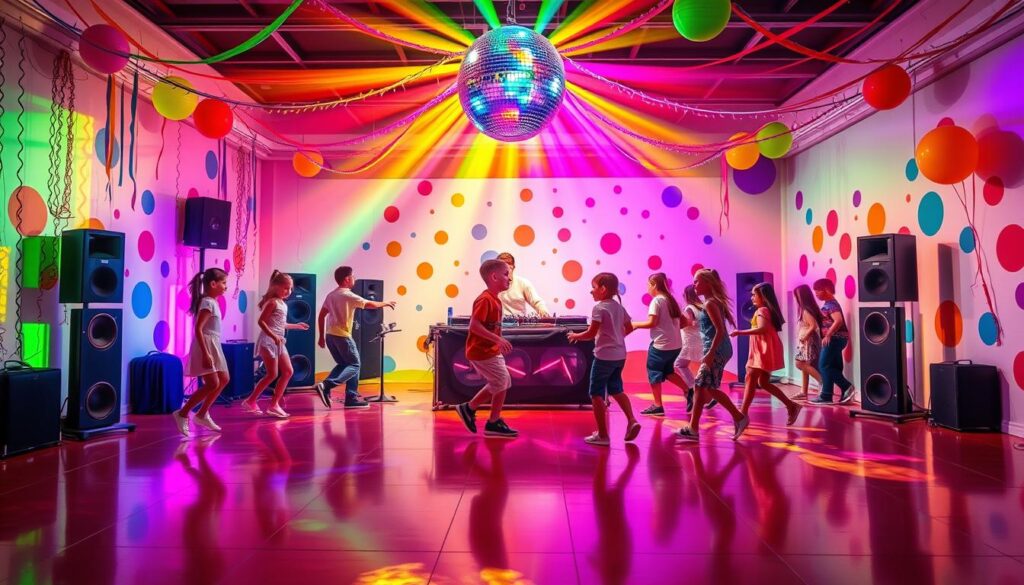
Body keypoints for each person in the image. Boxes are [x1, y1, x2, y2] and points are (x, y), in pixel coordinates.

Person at [568, 272, 641, 446]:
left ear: (603, 289)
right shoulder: (618, 307)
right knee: (616, 389)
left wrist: (575, 335)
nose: (591, 291)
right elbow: (630, 327)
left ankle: (602, 435)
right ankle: (632, 420)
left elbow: (591, 333)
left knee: (596, 394)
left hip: (604, 357)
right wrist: (617, 337)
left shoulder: (599, 308)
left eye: (593, 287)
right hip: (619, 356)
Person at [676, 269, 749, 443]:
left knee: (703, 386)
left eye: (697, 281)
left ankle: (738, 417)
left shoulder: (710, 303)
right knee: (703, 387)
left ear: (708, 283)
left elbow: (720, 330)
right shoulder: (710, 302)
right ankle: (694, 428)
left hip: (716, 350)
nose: (694, 284)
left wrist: (710, 354)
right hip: (717, 349)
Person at [314, 266, 396, 409]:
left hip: (330, 336)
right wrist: (386, 303)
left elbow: (321, 316)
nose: (354, 279)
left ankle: (328, 389)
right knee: (355, 365)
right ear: (347, 279)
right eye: (353, 276)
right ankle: (334, 389)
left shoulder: (331, 295)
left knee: (343, 364)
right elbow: (370, 304)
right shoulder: (348, 295)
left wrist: (321, 336)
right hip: (342, 336)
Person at [455, 259, 519, 438]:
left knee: (503, 381)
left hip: (490, 350)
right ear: (494, 277)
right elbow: (474, 326)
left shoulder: (495, 300)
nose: (509, 278)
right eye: (506, 274)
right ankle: (483, 416)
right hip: (481, 351)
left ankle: (480, 414)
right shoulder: (485, 300)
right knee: (501, 380)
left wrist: (497, 342)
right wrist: (498, 339)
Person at [731, 282, 802, 425]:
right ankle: (791, 405)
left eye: (754, 295)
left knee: (750, 377)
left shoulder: (761, 311)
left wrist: (740, 332)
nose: (752, 297)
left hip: (762, 349)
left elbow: (762, 329)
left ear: (762, 296)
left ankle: (743, 414)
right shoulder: (766, 310)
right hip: (765, 348)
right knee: (762, 382)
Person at [241, 271, 309, 418]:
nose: (288, 291)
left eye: (290, 288)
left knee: (288, 371)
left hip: (278, 341)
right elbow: (261, 322)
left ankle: (273, 404)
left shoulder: (282, 303)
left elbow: (280, 324)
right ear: (275, 286)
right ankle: (251, 401)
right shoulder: (272, 302)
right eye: (285, 288)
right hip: (268, 341)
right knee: (272, 374)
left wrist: (297, 326)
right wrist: (273, 336)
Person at [173, 268, 230, 437]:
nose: (226, 286)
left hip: (214, 343)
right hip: (206, 344)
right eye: (224, 283)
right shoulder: (207, 303)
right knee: (212, 383)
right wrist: (206, 353)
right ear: (213, 284)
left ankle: (202, 414)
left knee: (224, 379)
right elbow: (198, 328)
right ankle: (183, 413)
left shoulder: (213, 302)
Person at [635, 273, 689, 418]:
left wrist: (634, 325)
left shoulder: (657, 301)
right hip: (675, 345)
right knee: (668, 371)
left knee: (653, 372)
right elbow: (685, 322)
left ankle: (658, 405)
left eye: (648, 284)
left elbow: (652, 323)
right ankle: (689, 390)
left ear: (654, 285)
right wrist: (670, 329)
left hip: (661, 345)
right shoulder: (671, 300)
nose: (647, 288)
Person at [809, 278, 855, 405]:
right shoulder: (829, 304)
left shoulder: (831, 305)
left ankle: (847, 386)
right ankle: (826, 395)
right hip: (838, 339)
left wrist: (828, 334)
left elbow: (838, 320)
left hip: (835, 339)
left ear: (827, 289)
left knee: (824, 366)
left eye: (818, 290)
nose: (816, 294)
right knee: (833, 367)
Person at [675, 285, 716, 413]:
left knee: (679, 364)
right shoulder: (702, 307)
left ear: (687, 295)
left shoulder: (690, 308)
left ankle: (693, 389)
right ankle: (710, 395)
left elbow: (688, 322)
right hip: (699, 340)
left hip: (690, 341)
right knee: (702, 368)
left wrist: (676, 324)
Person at [792, 284, 824, 401]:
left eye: (798, 296)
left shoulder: (806, 311)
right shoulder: (804, 310)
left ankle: (822, 382)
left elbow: (813, 325)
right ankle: (803, 391)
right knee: (805, 365)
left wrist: (805, 336)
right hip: (805, 342)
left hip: (808, 342)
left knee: (800, 364)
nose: (796, 298)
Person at [495, 252, 549, 317]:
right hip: (499, 322)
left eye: (508, 265)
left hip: (519, 322)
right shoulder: (493, 285)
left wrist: (545, 314)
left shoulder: (523, 283)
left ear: (513, 267)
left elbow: (537, 302)